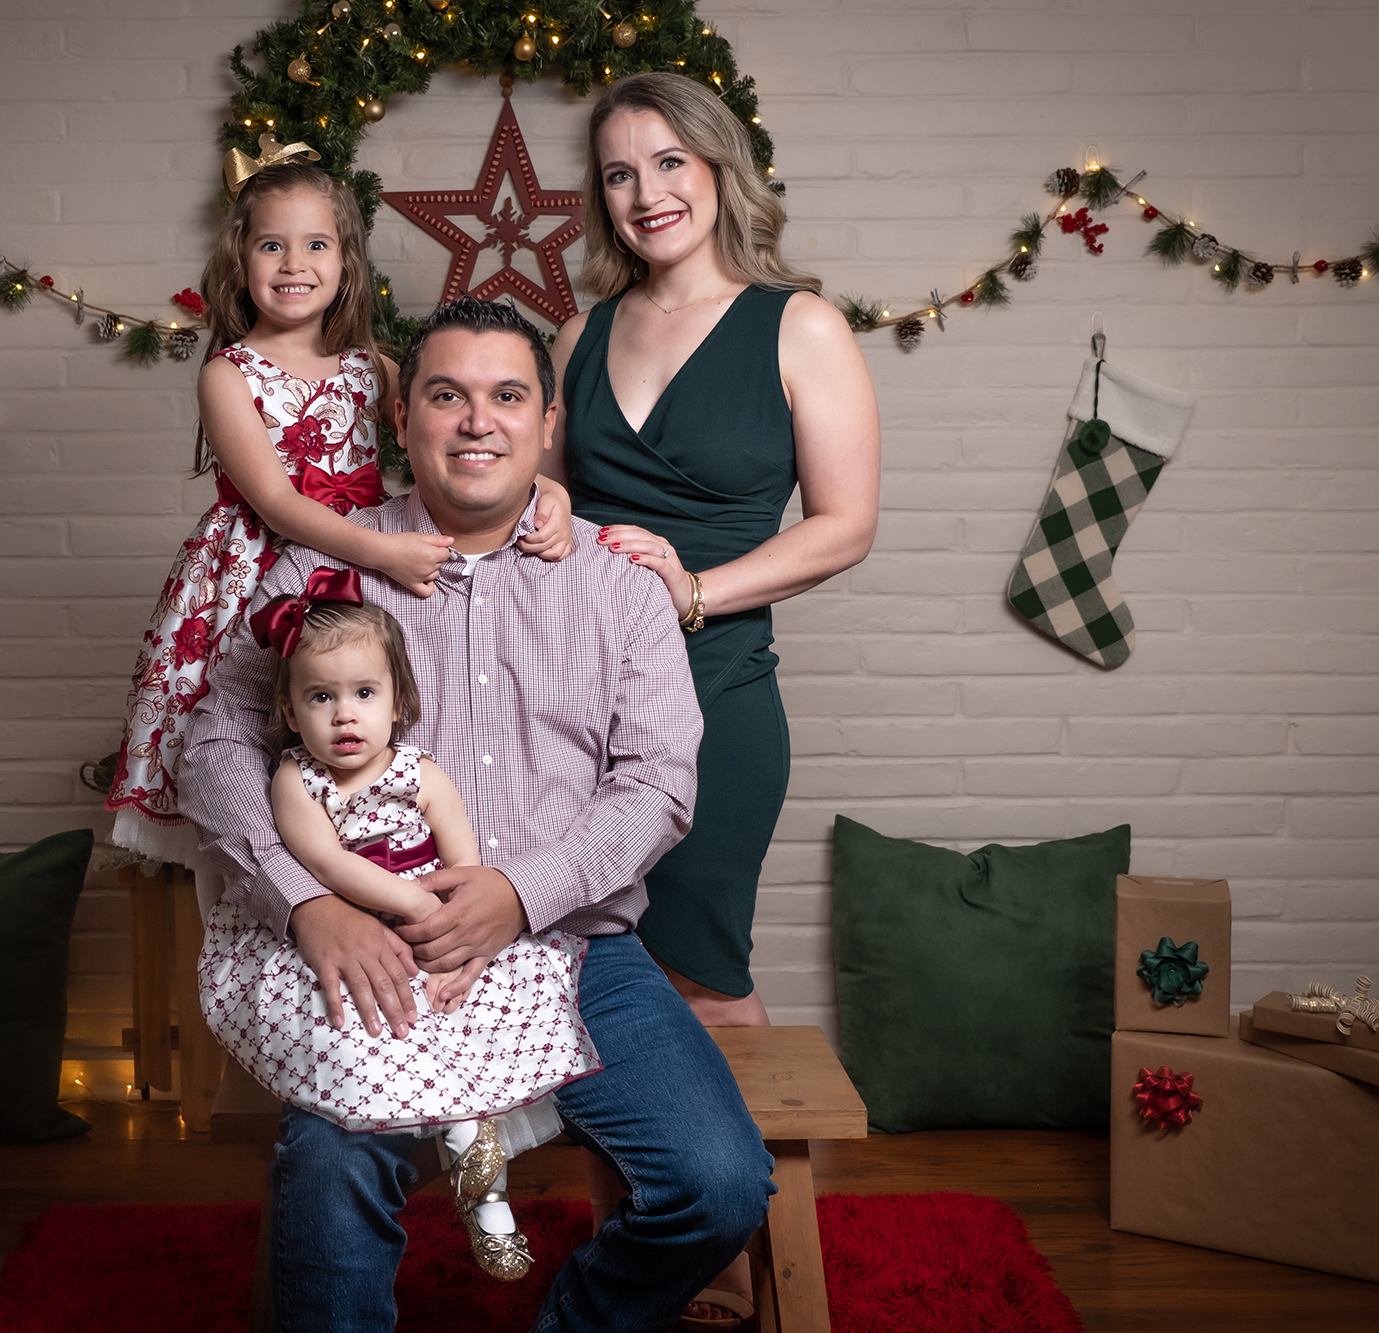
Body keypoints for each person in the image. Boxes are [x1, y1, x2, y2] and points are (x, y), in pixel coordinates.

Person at [180, 297, 774, 1332]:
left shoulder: (618, 583)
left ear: (547, 422)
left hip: (576, 947)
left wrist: (517, 890)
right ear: (404, 417)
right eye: (446, 396)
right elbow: (214, 746)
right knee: (327, 1174)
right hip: (380, 946)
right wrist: (303, 905)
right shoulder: (324, 566)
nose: (475, 422)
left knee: (718, 1184)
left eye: (506, 397)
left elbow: (656, 784)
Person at [546, 71, 882, 1326]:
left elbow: (845, 526)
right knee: (591, 976)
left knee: (698, 968)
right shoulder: (581, 335)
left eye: (668, 163)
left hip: (717, 693)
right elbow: (540, 512)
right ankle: (640, 1260)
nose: (646, 193)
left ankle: (732, 1259)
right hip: (574, 710)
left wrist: (698, 590)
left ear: (717, 168)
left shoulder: (798, 326)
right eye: (621, 172)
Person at [105, 161, 572, 867]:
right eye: (271, 246)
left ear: (347, 262)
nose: (295, 264)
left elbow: (447, 427)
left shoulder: (370, 365)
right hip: (258, 565)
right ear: (239, 260)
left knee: (344, 727)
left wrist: (552, 492)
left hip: (353, 564)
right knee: (247, 744)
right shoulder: (229, 373)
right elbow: (278, 503)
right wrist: (380, 552)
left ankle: (368, 865)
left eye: (317, 245)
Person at [200, 573, 599, 1281]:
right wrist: (414, 906)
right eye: (320, 697)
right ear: (290, 712)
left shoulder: (420, 769)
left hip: (433, 916)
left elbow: (463, 852)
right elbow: (325, 861)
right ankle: (466, 1140)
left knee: (469, 1021)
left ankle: (487, 1193)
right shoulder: (298, 780)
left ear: (398, 703)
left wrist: (461, 918)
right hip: (354, 925)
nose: (343, 714)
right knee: (372, 1025)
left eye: (363, 693)